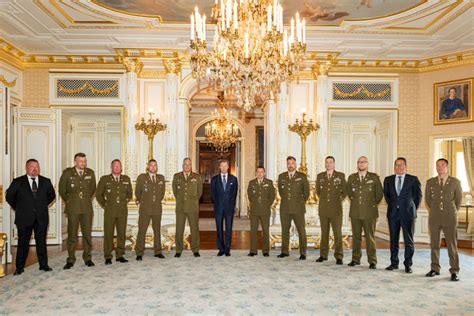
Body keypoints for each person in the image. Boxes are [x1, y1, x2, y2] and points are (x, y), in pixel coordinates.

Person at [6, 159, 56, 275]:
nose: (35, 169)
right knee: (23, 243)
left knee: (41, 242)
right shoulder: (18, 182)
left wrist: (41, 205)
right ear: (26, 168)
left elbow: (51, 196)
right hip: (24, 218)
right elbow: (9, 197)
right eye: (32, 167)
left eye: (37, 167)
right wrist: (19, 207)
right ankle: (19, 267)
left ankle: (44, 265)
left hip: (41, 217)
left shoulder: (46, 181)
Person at [425, 158, 463, 281]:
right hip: (434, 217)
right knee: (434, 244)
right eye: (437, 165)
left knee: (452, 245)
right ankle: (435, 268)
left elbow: (458, 201)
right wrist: (436, 210)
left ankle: (454, 270)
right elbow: (428, 200)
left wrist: (450, 211)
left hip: (450, 217)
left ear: (447, 167)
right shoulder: (430, 182)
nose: (439, 167)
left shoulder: (455, 182)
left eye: (442, 165)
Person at [383, 157, 422, 273]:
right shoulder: (388, 180)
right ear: (394, 166)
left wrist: (410, 208)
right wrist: (395, 206)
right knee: (393, 240)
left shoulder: (413, 179)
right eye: (396, 165)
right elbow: (387, 196)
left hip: (408, 215)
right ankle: (394, 263)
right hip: (393, 214)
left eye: (401, 165)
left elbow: (418, 197)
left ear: (405, 166)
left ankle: (408, 265)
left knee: (408, 240)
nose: (398, 167)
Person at [59, 152, 96, 269]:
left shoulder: (90, 173)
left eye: (84, 161)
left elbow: (92, 189)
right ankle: (70, 259)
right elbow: (62, 190)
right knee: (72, 235)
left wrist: (83, 200)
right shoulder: (67, 173)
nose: (83, 163)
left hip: (86, 208)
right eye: (80, 161)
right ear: (75, 162)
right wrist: (71, 201)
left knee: (87, 235)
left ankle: (88, 258)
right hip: (73, 208)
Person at [346, 156, 383, 269]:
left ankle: (372, 261)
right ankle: (355, 259)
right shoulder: (352, 178)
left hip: (369, 213)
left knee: (370, 237)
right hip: (355, 212)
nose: (361, 164)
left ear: (367, 164)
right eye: (359, 162)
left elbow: (379, 195)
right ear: (357, 164)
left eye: (363, 162)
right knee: (356, 237)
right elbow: (349, 193)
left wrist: (369, 205)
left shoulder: (374, 177)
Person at [96, 159, 133, 265]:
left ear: (121, 167)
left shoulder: (126, 179)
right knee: (108, 233)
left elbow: (130, 193)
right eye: (115, 166)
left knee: (121, 233)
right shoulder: (105, 179)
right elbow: (99, 194)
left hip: (122, 210)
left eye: (118, 166)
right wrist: (105, 205)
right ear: (111, 167)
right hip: (110, 211)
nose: (117, 167)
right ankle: (108, 256)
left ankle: (120, 255)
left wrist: (124, 200)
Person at [315, 156, 347, 265]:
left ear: (334, 164)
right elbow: (318, 191)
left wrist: (339, 200)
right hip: (323, 209)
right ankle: (323, 255)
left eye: (330, 162)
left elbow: (345, 191)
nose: (328, 164)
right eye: (327, 162)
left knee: (337, 233)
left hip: (336, 209)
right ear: (325, 164)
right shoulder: (320, 176)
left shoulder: (340, 176)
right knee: (324, 233)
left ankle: (339, 256)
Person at [277, 156, 310, 260]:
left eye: (292, 163)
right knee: (285, 230)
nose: (290, 165)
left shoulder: (302, 176)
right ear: (287, 164)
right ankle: (285, 251)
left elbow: (306, 193)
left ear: (296, 165)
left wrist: (299, 202)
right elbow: (281, 192)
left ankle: (303, 253)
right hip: (285, 208)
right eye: (288, 163)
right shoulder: (282, 176)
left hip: (298, 208)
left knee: (301, 231)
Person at [135, 159, 166, 261]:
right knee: (142, 231)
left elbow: (161, 194)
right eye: (151, 165)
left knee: (157, 231)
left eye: (155, 165)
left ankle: (158, 251)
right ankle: (139, 252)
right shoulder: (142, 177)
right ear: (148, 167)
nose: (153, 167)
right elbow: (137, 193)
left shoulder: (161, 178)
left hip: (157, 209)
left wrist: (155, 202)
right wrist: (144, 202)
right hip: (145, 209)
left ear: (157, 167)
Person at [172, 158, 203, 258]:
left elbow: (199, 192)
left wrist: (192, 201)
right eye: (185, 164)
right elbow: (175, 191)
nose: (187, 166)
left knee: (194, 229)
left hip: (193, 207)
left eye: (189, 164)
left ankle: (195, 249)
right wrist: (182, 200)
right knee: (179, 229)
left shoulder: (197, 177)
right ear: (182, 165)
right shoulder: (177, 176)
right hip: (180, 207)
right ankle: (178, 250)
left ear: (191, 166)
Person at [210, 159, 238, 256]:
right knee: (219, 227)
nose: (223, 168)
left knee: (229, 228)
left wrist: (231, 205)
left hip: (229, 208)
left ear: (228, 167)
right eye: (222, 166)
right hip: (218, 207)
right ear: (219, 167)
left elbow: (234, 194)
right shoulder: (214, 180)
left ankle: (227, 249)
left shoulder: (233, 179)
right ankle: (221, 249)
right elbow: (213, 194)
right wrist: (217, 203)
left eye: (225, 166)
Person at [247, 166, 276, 257]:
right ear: (255, 173)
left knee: (266, 231)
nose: (260, 174)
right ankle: (253, 250)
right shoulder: (252, 183)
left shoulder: (269, 183)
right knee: (253, 231)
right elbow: (250, 196)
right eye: (258, 172)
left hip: (265, 211)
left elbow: (272, 196)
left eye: (261, 172)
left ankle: (266, 251)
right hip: (254, 211)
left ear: (264, 173)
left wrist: (267, 205)